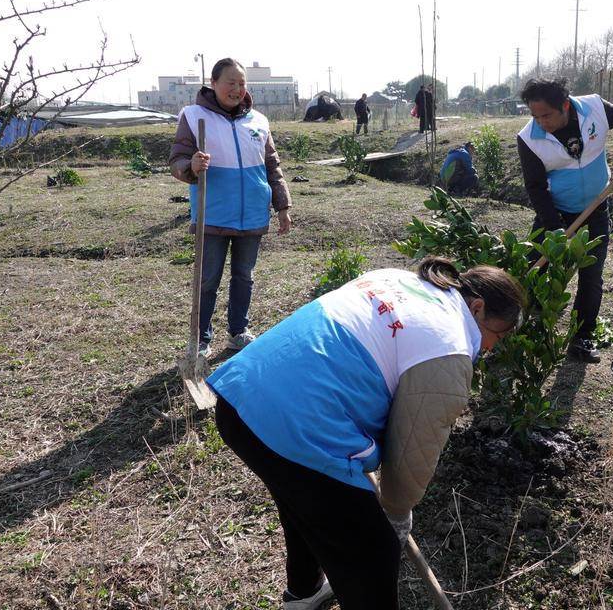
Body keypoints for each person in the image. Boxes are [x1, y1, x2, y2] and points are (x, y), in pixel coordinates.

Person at [208, 257, 526, 610]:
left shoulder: (397, 278)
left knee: (305, 500)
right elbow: (413, 449)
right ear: (478, 308)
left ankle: (305, 591)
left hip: (243, 397)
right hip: (296, 422)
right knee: (373, 553)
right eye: (497, 335)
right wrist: (396, 510)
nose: (491, 348)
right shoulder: (448, 348)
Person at [517, 77, 613, 362]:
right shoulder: (529, 139)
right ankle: (525, 329)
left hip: (595, 211)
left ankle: (582, 338)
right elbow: (536, 188)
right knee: (535, 271)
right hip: (554, 213)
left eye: (546, 115)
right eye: (535, 116)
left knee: (591, 277)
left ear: (565, 105)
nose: (541, 121)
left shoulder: (593, 108)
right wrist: (555, 229)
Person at [169, 57, 292, 355]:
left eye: (242, 84)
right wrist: (192, 165)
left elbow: (272, 166)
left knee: (244, 276)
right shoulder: (194, 116)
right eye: (230, 83)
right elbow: (177, 161)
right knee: (208, 278)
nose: (237, 89)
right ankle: (200, 339)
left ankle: (238, 331)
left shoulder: (259, 121)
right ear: (214, 84)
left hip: (251, 212)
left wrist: (282, 205)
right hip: (213, 211)